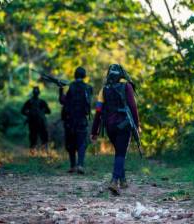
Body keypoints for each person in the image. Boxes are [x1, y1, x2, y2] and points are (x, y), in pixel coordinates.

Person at [91, 64, 140, 195]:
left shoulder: (104, 90)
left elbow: (98, 112)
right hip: (124, 125)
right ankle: (114, 181)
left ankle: (123, 180)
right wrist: (137, 124)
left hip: (109, 126)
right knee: (121, 153)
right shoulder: (127, 86)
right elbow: (133, 107)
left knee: (119, 151)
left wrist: (94, 131)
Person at [59, 67, 93, 174]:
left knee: (71, 143)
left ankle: (73, 166)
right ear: (84, 76)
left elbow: (63, 101)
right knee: (82, 143)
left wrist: (60, 90)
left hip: (70, 121)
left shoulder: (71, 87)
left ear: (75, 75)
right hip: (82, 120)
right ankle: (80, 165)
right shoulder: (88, 88)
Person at [21, 86, 51, 155]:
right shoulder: (33, 102)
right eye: (36, 92)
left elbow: (48, 111)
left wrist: (41, 112)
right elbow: (23, 111)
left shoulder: (38, 102)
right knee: (35, 137)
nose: (36, 93)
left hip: (37, 123)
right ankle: (36, 152)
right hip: (35, 123)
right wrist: (29, 114)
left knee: (39, 137)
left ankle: (42, 151)